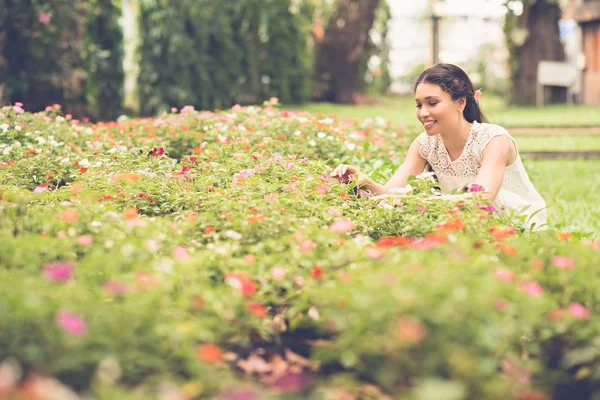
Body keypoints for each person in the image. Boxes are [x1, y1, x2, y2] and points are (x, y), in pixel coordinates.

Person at [331, 63, 547, 229]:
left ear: (460, 102)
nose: (423, 112)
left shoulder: (493, 140)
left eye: (432, 103)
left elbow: (481, 200)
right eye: (418, 105)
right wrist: (362, 181)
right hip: (460, 226)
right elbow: (391, 192)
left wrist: (417, 202)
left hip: (512, 227)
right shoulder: (424, 145)